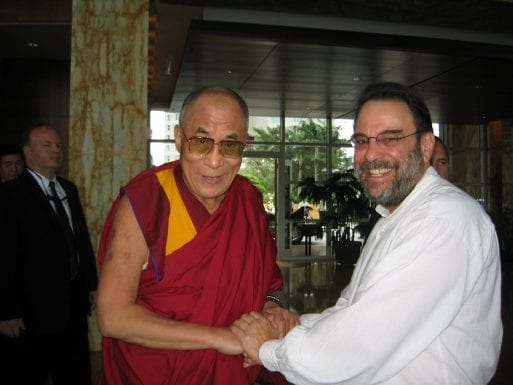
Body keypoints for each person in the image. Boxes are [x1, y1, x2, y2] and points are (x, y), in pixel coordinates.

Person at [233, 82, 502, 385]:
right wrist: (291, 326)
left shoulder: (443, 221)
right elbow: (352, 308)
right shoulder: (395, 216)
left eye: (389, 138)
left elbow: (359, 344)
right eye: (362, 141)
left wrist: (268, 348)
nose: (370, 154)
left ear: (426, 146)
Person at [96, 86, 297, 385]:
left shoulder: (248, 200)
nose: (214, 161)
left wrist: (272, 308)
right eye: (201, 142)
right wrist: (220, 338)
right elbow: (112, 316)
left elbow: (264, 283)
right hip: (156, 373)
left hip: (231, 369)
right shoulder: (147, 203)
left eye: (230, 146)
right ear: (179, 138)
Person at [0, 124, 98, 385]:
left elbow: (81, 241)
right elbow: (5, 255)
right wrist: (7, 311)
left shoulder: (68, 189)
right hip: (31, 311)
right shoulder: (11, 194)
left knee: (75, 373)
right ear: (28, 152)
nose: (56, 150)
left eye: (58, 145)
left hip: (72, 306)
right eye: (47, 145)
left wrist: (91, 285)